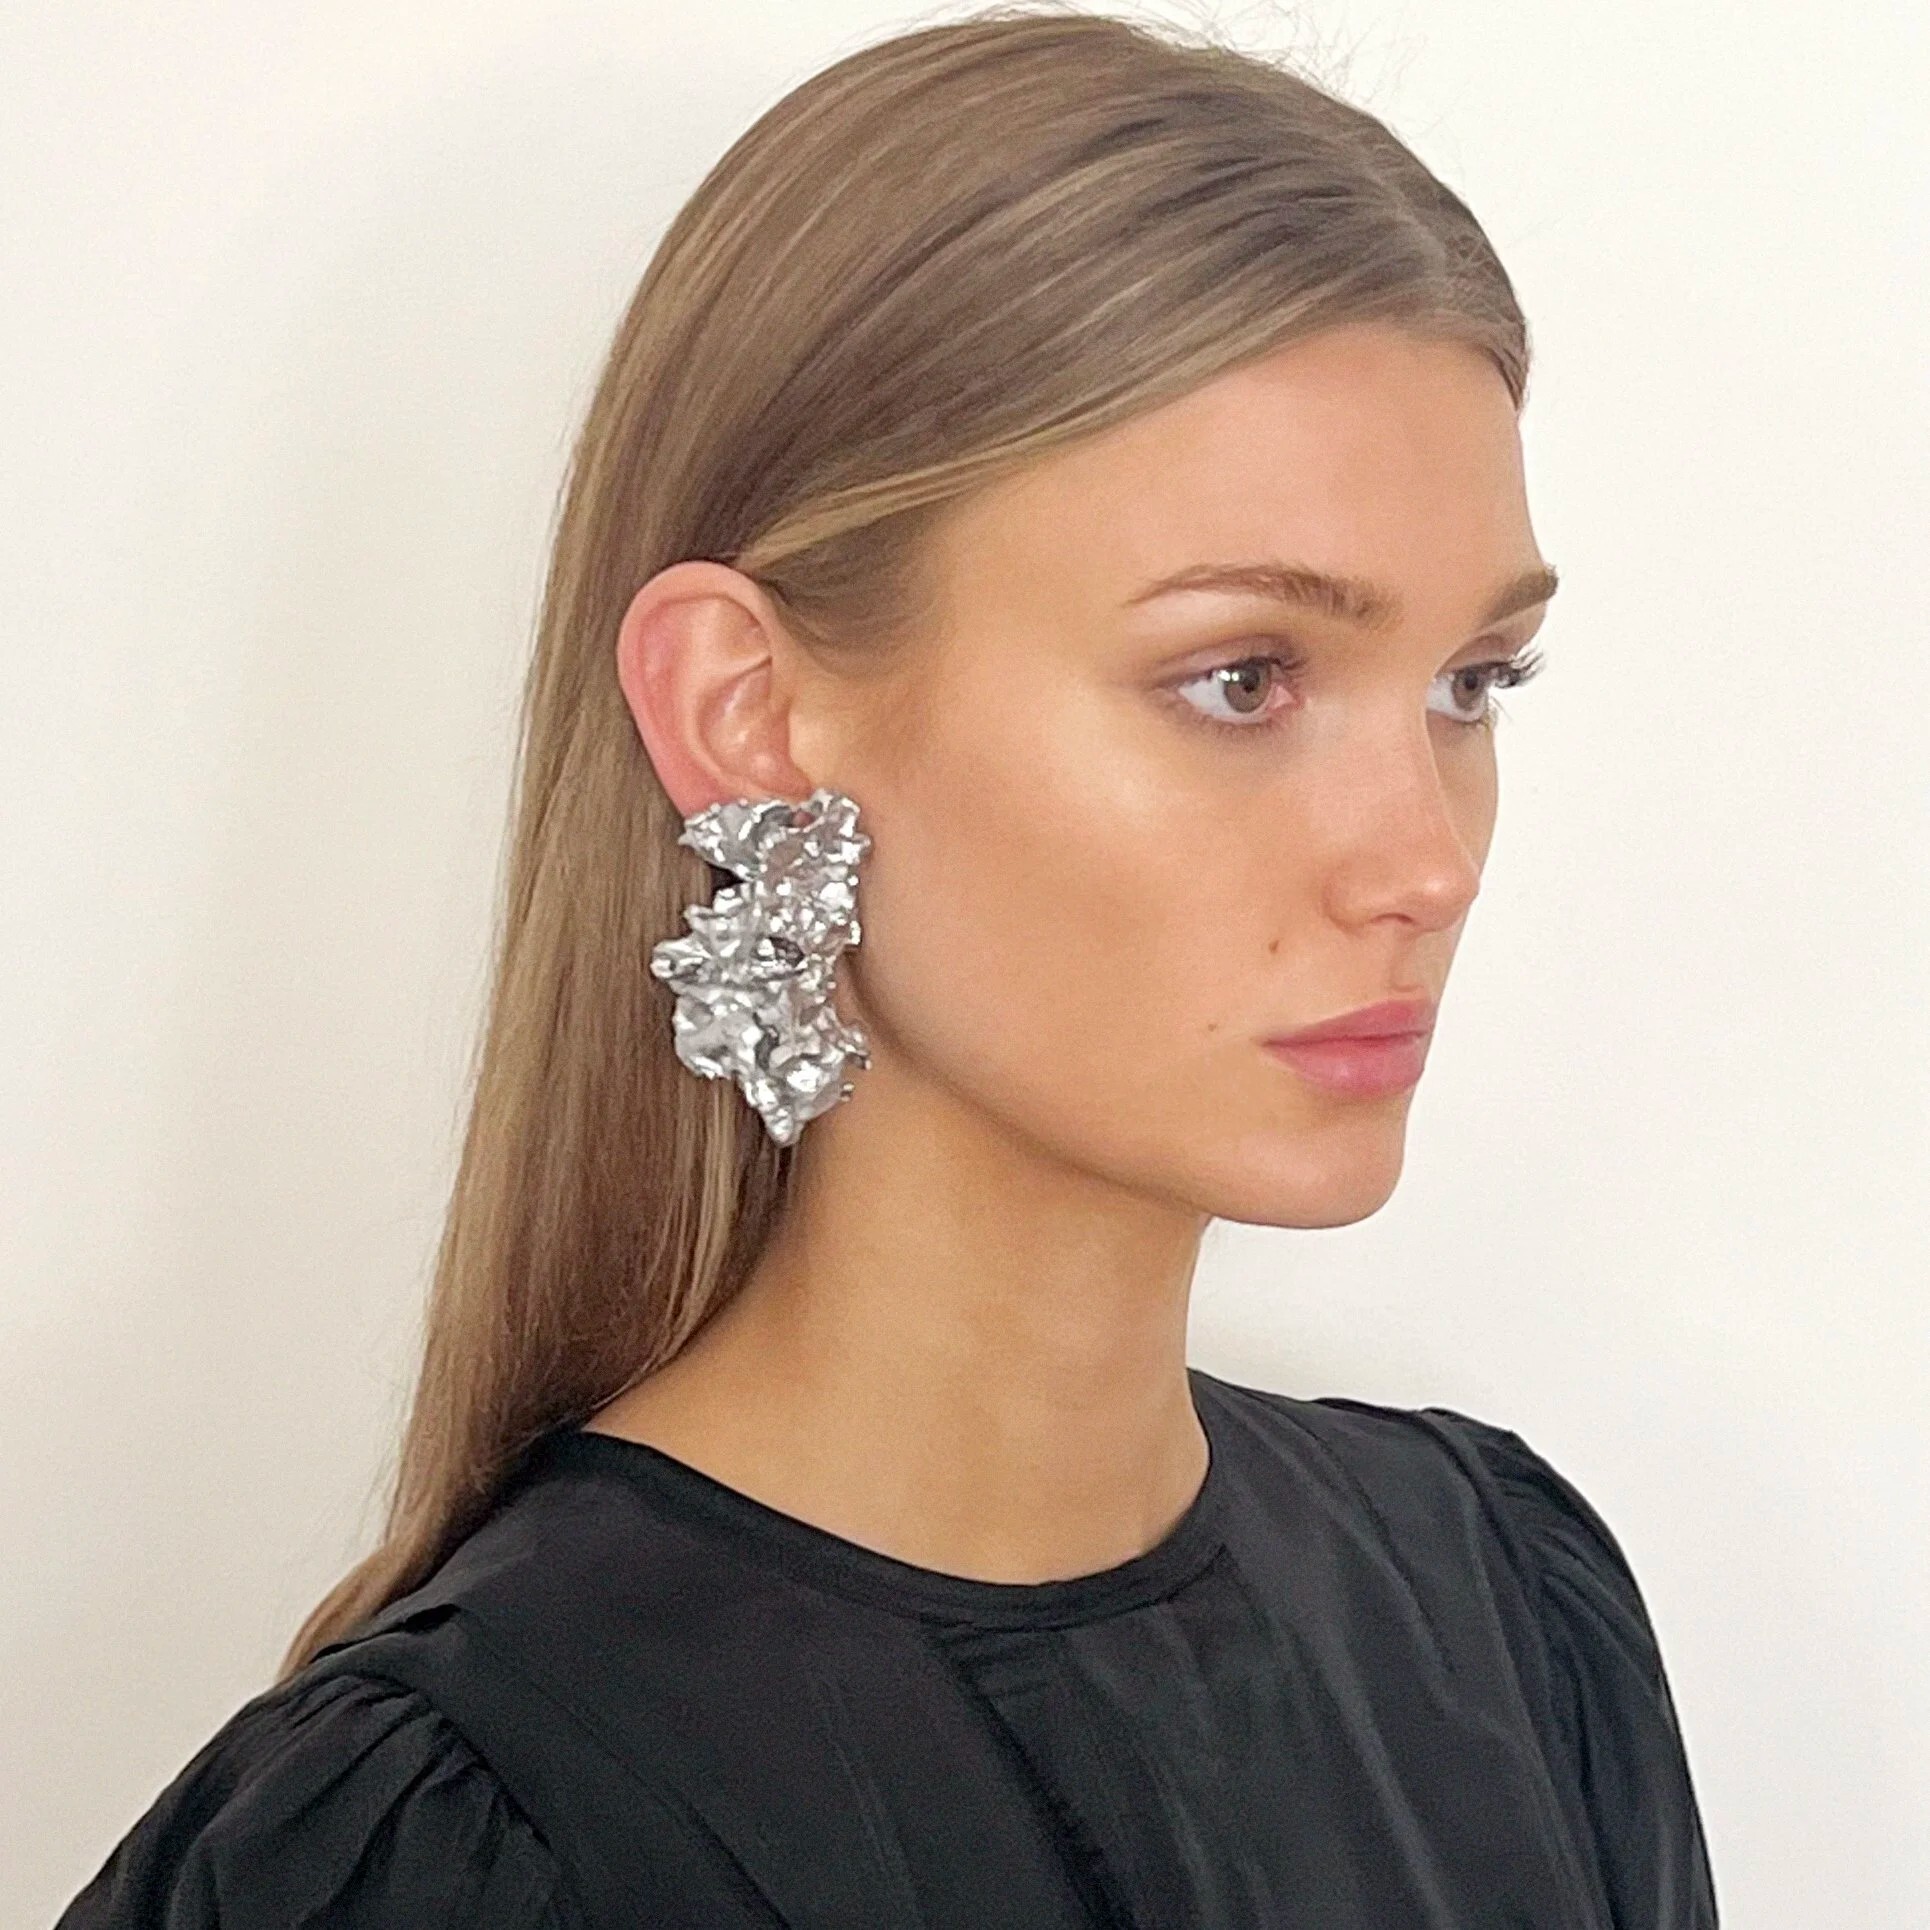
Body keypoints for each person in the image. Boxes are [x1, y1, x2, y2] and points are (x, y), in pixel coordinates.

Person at [55, 8, 1721, 1926]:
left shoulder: (1500, 1609)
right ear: (747, 711)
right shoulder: (461, 1841)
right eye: (1239, 678)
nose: (1424, 860)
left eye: (1470, 683)